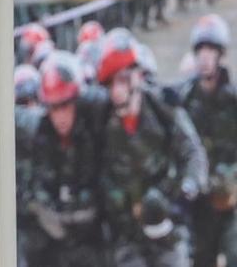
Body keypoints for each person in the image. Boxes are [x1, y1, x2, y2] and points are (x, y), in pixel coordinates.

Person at [100, 29, 208, 267]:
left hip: (169, 223)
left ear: (137, 76)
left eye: (121, 80)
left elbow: (193, 152)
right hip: (127, 233)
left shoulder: (163, 107)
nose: (115, 91)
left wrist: (187, 189)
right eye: (110, 83)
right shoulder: (101, 117)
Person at [18, 50, 111, 267]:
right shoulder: (38, 130)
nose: (60, 116)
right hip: (54, 239)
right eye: (53, 107)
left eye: (65, 105)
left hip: (93, 235)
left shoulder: (96, 125)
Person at [181, 14, 237, 267]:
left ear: (220, 55)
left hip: (231, 202)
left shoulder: (233, 100)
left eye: (210, 51)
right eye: (200, 51)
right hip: (199, 204)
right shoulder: (185, 100)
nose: (204, 58)